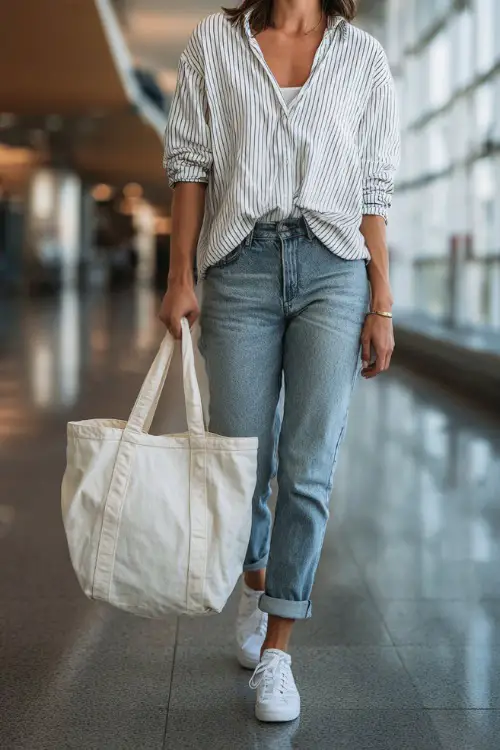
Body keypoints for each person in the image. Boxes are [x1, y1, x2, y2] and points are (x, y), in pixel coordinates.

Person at [160, 0, 400, 723]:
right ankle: (256, 583)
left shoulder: (364, 57)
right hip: (239, 267)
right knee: (241, 457)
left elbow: (373, 189)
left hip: (334, 270)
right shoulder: (213, 40)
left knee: (309, 462)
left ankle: (279, 651)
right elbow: (189, 163)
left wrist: (381, 299)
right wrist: (179, 276)